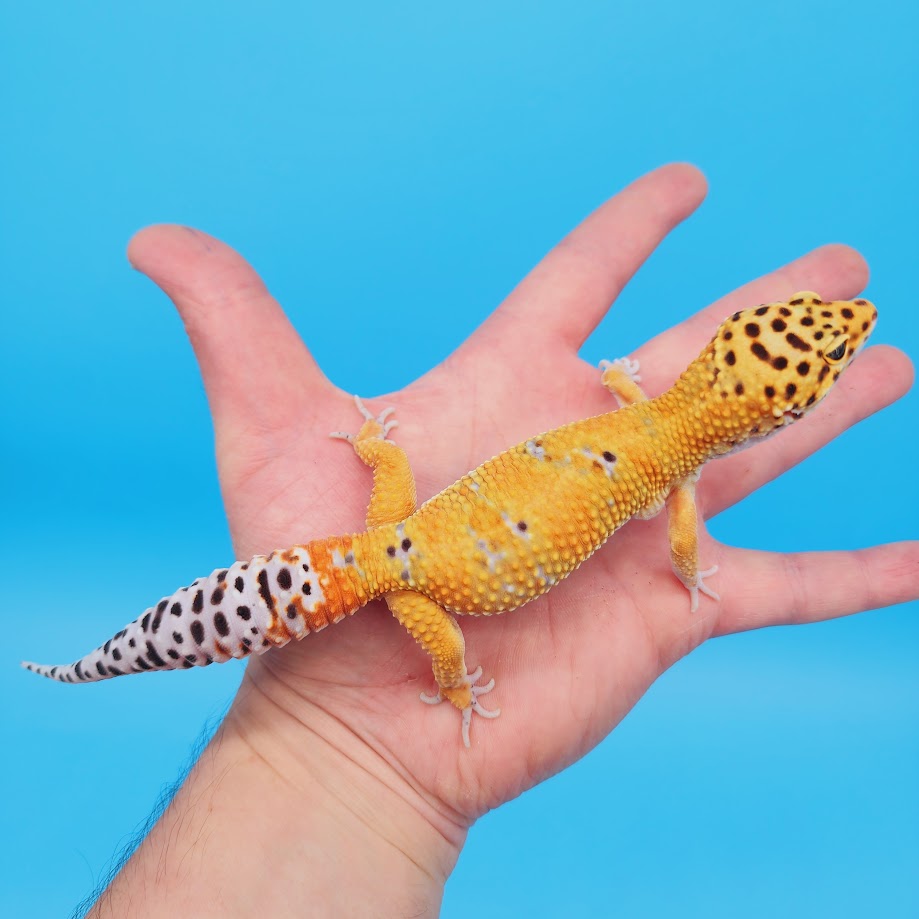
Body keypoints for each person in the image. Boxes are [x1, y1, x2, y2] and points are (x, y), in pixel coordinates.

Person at [86, 164, 918, 917]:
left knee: (374, 548)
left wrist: (378, 448)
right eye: (825, 340)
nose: (849, 325)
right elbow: (684, 551)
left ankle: (116, 653)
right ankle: (446, 687)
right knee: (449, 658)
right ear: (778, 414)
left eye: (826, 344)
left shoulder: (639, 406)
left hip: (399, 533)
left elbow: (622, 377)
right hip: (412, 580)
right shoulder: (675, 483)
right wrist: (453, 686)